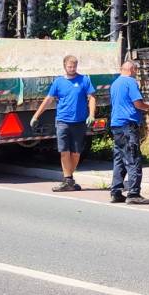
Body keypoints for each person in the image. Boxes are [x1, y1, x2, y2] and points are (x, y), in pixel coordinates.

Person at [30, 55, 96, 192]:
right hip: (62, 121)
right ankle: (68, 180)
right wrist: (36, 115)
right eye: (69, 67)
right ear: (64, 66)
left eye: (74, 67)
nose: (72, 69)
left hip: (79, 122)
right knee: (64, 151)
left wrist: (91, 114)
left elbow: (92, 97)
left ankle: (69, 180)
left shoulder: (84, 80)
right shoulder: (58, 82)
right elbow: (48, 99)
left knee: (76, 153)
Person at [107, 58, 149, 204]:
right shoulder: (130, 82)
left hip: (116, 125)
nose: (136, 73)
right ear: (132, 70)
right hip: (128, 125)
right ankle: (133, 193)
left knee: (119, 158)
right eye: (136, 71)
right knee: (133, 158)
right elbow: (138, 104)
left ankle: (116, 191)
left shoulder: (115, 83)